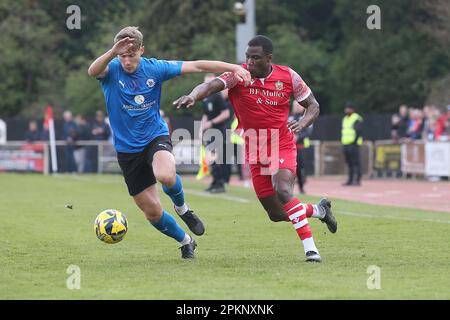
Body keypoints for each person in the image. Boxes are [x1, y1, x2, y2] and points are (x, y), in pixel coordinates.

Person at [88, 26, 250, 259]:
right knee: (152, 212)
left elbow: (198, 65)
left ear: (141, 51)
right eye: (122, 56)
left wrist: (235, 68)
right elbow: (92, 71)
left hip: (155, 136)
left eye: (131, 55)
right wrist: (112, 52)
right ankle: (186, 241)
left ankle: (183, 208)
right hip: (127, 150)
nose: (126, 61)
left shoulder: (156, 68)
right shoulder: (111, 70)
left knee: (165, 174)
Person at [173, 35, 337, 262]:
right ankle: (319, 211)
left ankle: (311, 250)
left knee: (283, 189)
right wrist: (193, 95)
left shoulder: (288, 76)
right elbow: (210, 86)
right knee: (276, 214)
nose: (249, 62)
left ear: (269, 58)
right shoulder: (238, 75)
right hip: (255, 147)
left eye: (255, 58)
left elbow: (313, 106)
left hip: (282, 143)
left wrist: (302, 122)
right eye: (247, 57)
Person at [201, 73, 230, 193]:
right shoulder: (205, 97)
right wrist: (202, 128)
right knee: (210, 158)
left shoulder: (217, 96)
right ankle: (214, 182)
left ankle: (220, 184)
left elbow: (226, 114)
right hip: (209, 131)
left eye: (211, 82)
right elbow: (206, 115)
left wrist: (211, 123)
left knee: (217, 158)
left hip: (218, 130)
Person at [291, 101, 313, 194]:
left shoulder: (306, 118)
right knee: (288, 168)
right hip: (289, 147)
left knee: (300, 167)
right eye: (295, 105)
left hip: (300, 146)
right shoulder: (290, 117)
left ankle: (301, 187)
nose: (297, 107)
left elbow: (308, 132)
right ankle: (288, 189)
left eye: (298, 105)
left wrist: (298, 137)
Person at [341, 102, 363, 186]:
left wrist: (354, 142)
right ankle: (350, 180)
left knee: (356, 163)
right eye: (346, 108)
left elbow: (359, 131)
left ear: (352, 109)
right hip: (346, 144)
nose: (346, 110)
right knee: (349, 163)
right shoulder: (345, 119)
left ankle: (357, 180)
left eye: (348, 108)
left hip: (353, 144)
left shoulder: (356, 118)